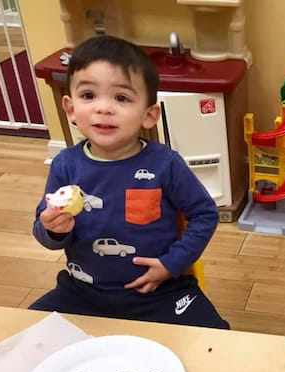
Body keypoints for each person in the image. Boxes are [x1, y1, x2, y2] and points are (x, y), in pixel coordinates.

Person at [30, 35, 228, 329]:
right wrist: (52, 229)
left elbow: (205, 214)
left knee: (218, 340)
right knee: (24, 333)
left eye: (121, 98)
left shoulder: (165, 164)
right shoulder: (65, 165)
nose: (104, 108)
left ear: (149, 115)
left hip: (159, 291)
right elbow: (44, 233)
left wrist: (170, 265)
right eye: (88, 96)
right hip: (83, 293)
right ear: (70, 109)